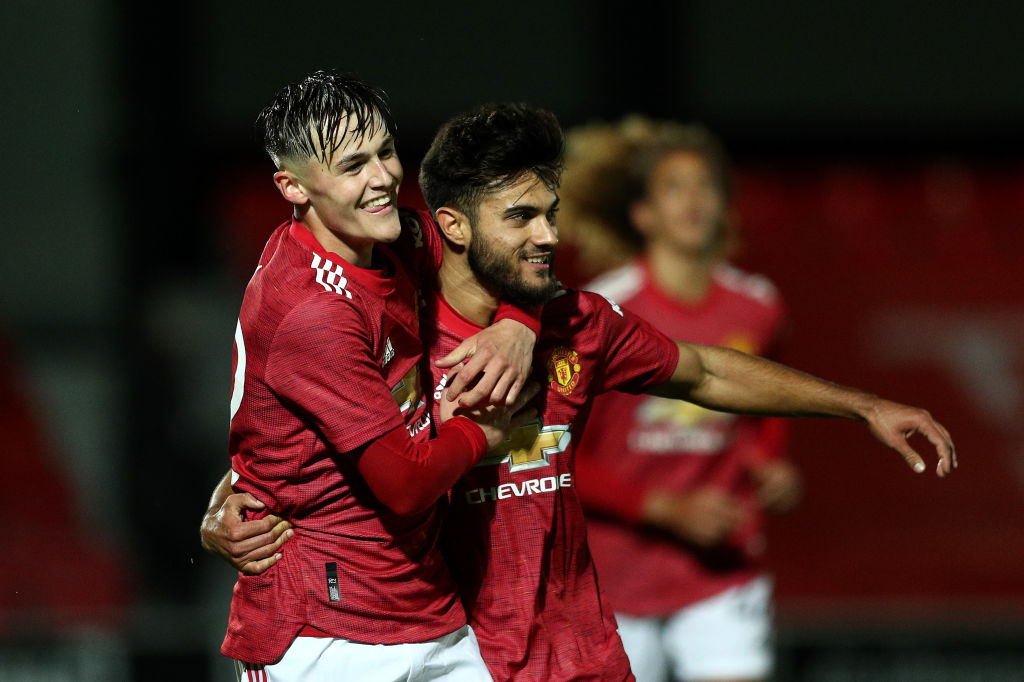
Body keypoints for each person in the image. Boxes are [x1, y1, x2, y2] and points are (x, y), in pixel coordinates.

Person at [204, 102, 957, 681]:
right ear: (453, 229)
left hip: (580, 650)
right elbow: (309, 436)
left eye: (551, 215)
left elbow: (706, 370)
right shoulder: (395, 327)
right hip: (459, 644)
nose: (546, 237)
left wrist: (863, 405)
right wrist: (226, 505)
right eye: (522, 217)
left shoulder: (577, 322)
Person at [218, 71, 543, 681]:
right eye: (352, 166)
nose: (382, 178)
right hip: (326, 634)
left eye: (385, 152)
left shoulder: (389, 238)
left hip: (423, 607)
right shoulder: (311, 311)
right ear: (292, 187)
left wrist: (519, 323)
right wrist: (483, 437)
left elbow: (517, 241)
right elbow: (404, 484)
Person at [569, 120, 798, 682]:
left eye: (706, 186)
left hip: (721, 570)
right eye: (675, 187)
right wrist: (665, 508)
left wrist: (771, 462)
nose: (695, 200)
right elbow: (560, 454)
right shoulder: (603, 313)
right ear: (643, 214)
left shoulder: (758, 307)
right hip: (614, 576)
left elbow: (769, 407)